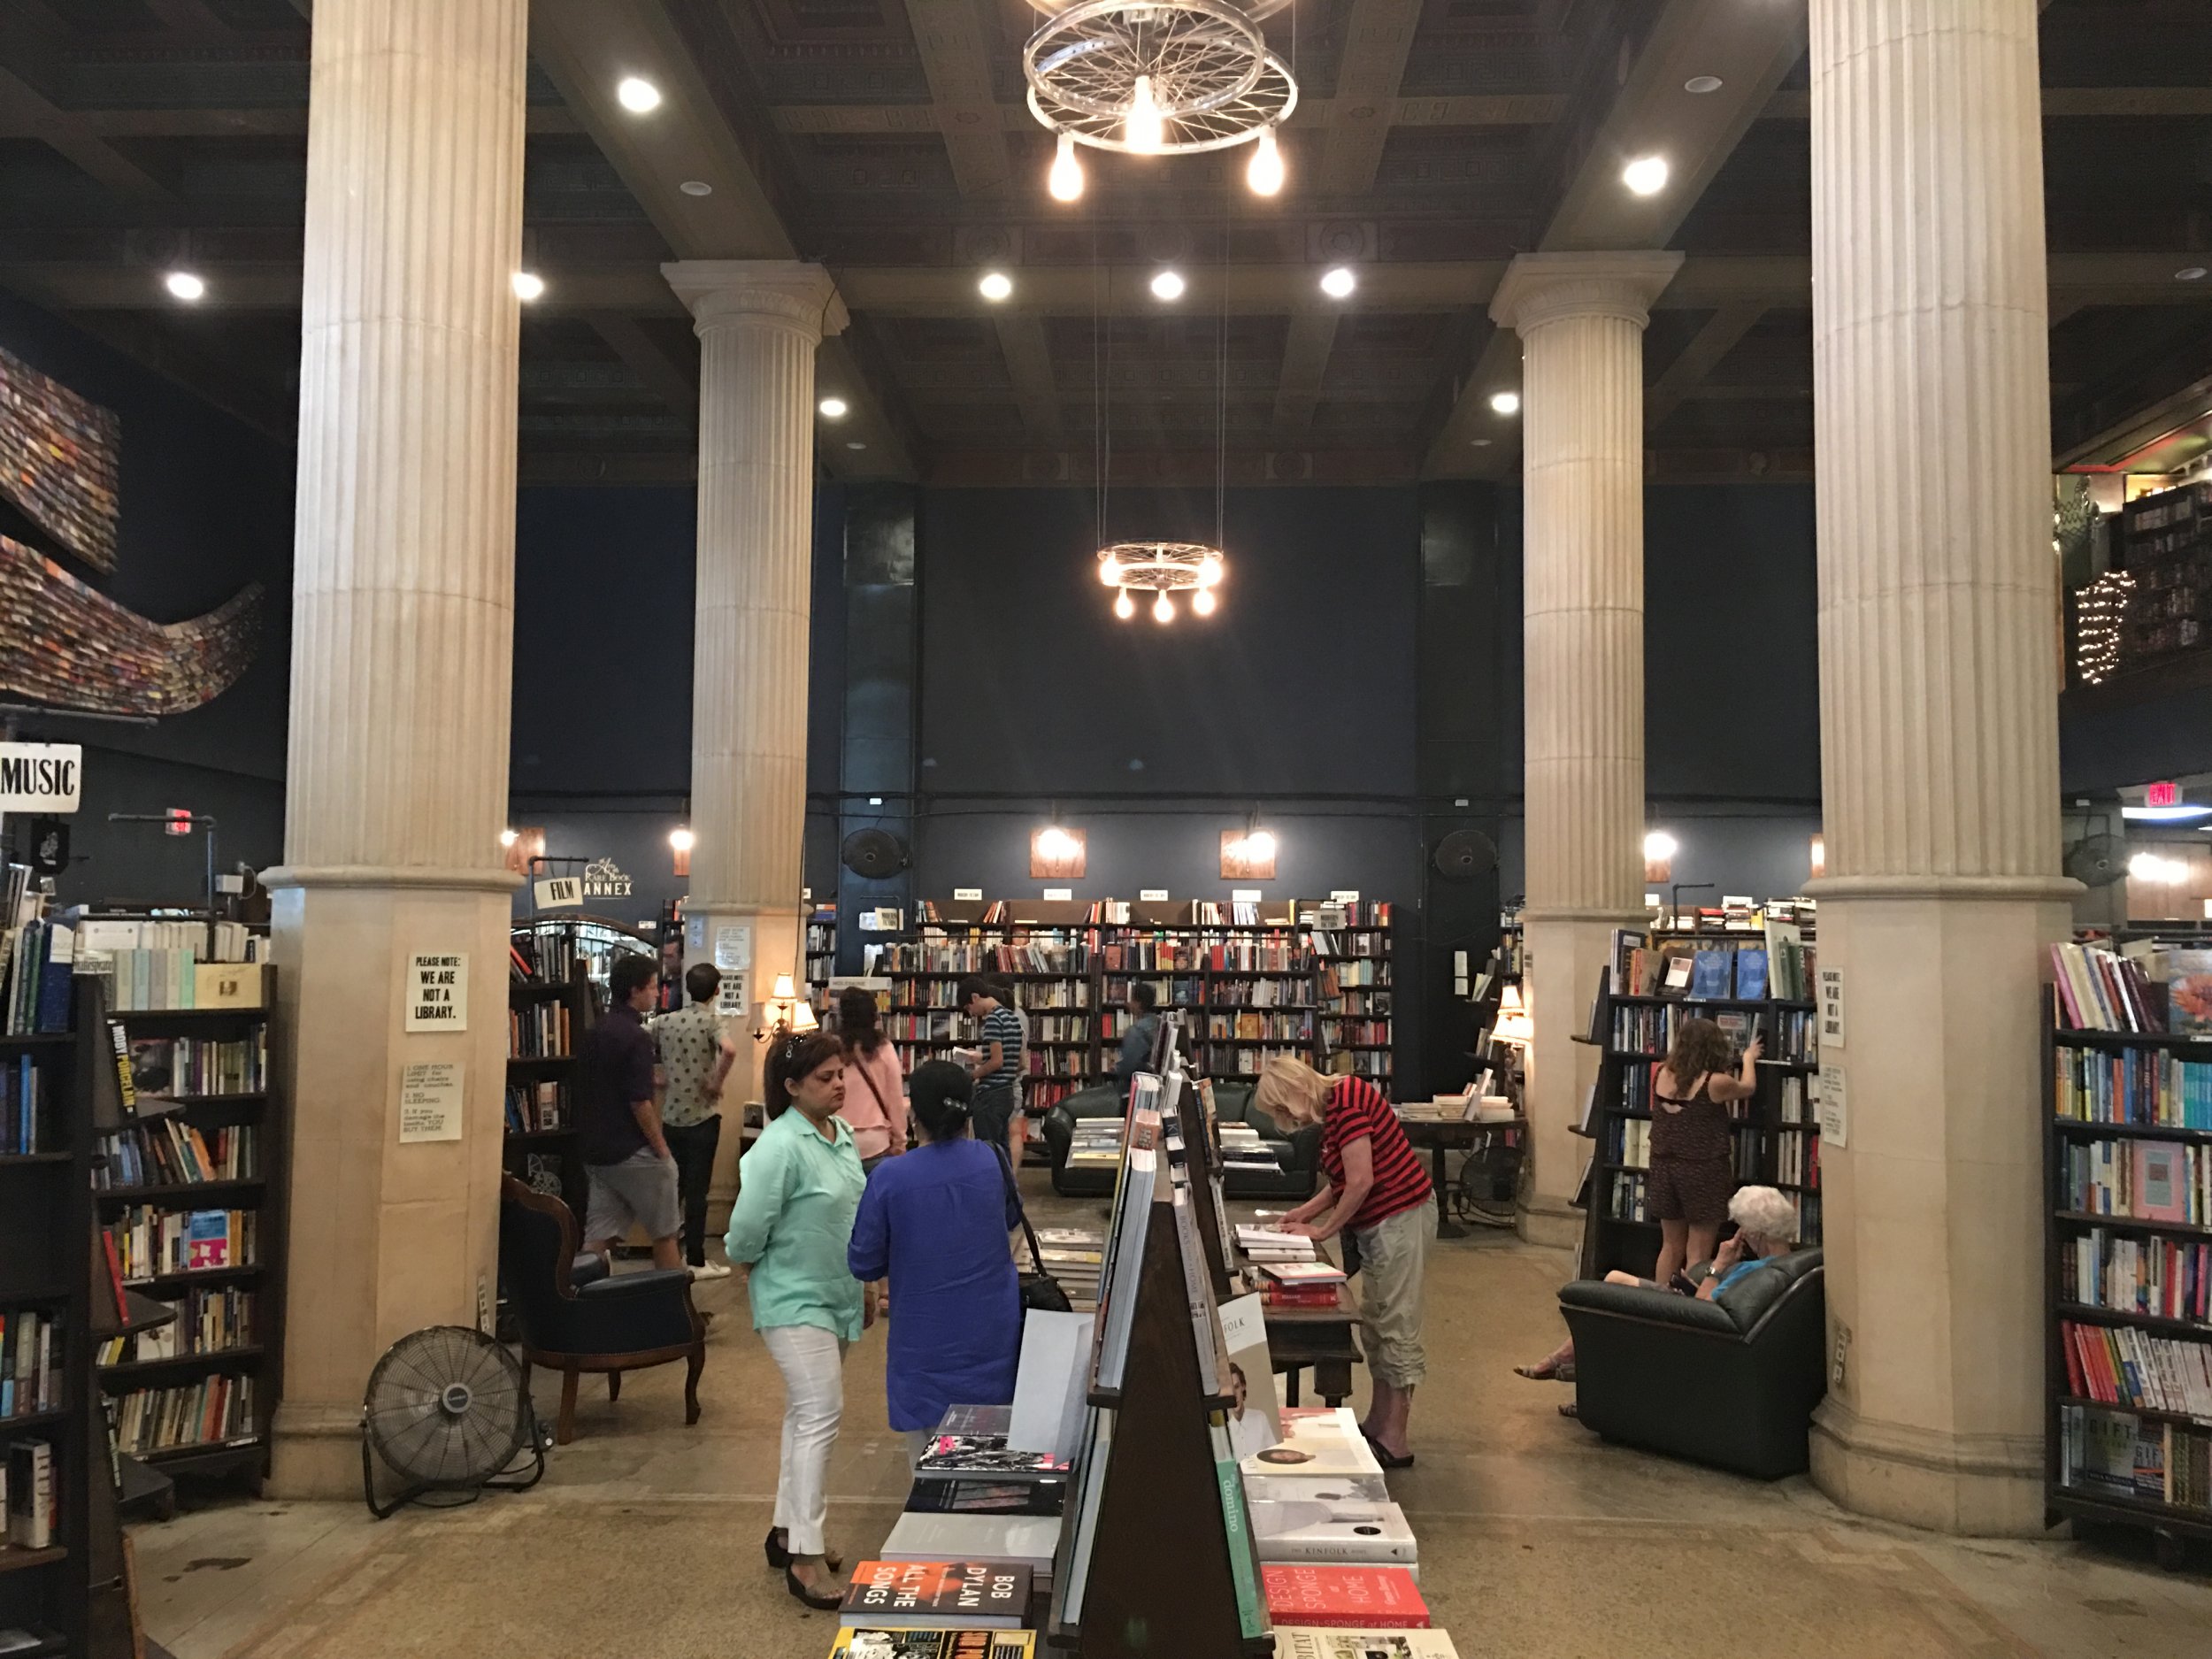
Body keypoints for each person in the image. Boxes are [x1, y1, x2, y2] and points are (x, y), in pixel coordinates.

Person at [724, 1032, 875, 1609]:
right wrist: (751, 1263)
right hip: (792, 1297)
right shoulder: (779, 1146)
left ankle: (786, 1528)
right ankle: (804, 1556)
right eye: (825, 1077)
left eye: (842, 1073)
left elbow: (850, 1218)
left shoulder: (839, 1135)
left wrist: (863, 1284)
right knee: (821, 1415)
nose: (839, 1084)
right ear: (790, 1086)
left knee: (804, 1415)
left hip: (835, 1292)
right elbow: (744, 1231)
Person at [1255, 1054, 1435, 1469]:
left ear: (1293, 1092)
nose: (1286, 1119)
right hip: (1381, 1223)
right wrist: (1305, 1213)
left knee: (1397, 1323)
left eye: (1282, 1109)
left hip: (1400, 1217)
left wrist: (1321, 1231)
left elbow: (1361, 1182)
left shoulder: (1348, 1099)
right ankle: (1378, 1421)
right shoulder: (1335, 1112)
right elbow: (1341, 1183)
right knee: (1376, 1322)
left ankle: (1396, 1438)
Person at [846, 1060, 1022, 1459]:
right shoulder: (994, 1160)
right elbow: (1011, 1217)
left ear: (913, 1115)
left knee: (931, 1477)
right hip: (992, 1338)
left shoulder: (890, 1178)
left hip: (925, 1349)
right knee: (991, 1465)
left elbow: (864, 1263)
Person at [1513, 1185, 1801, 1385]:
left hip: (1685, 1318)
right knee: (1614, 1280)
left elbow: (1702, 1311)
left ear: (1755, 1232)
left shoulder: (1754, 1271)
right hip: (1690, 1302)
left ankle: (1568, 1362)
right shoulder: (1786, 1263)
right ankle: (1572, 1364)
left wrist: (1719, 1265)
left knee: (1609, 1301)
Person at [577, 954, 682, 1272]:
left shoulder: (597, 1030)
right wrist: (663, 1152)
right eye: (652, 987)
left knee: (600, 1235)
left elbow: (606, 1079)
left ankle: (580, 1296)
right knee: (665, 1234)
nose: (656, 993)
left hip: (596, 1149)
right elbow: (640, 1103)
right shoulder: (637, 1037)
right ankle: (674, 1308)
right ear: (635, 991)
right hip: (631, 1149)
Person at [1647, 1017, 1761, 1286]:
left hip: (1663, 1168)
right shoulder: (1714, 1082)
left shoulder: (1662, 1072)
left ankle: (1658, 1304)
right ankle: (1691, 1309)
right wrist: (1748, 1058)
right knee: (1697, 1252)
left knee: (1670, 1246)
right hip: (1702, 1171)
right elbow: (1748, 1088)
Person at [649, 962, 739, 1279]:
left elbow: (636, 1040)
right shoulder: (712, 1021)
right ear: (717, 991)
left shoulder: (667, 1021)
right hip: (703, 1118)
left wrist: (655, 1077)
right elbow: (729, 1050)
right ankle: (697, 1260)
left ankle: (668, 1256)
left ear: (687, 988)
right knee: (699, 1192)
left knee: (674, 1190)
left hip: (671, 1117)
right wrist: (715, 1082)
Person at [836, 986, 909, 1174]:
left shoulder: (832, 1050)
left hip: (836, 1141)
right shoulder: (883, 1049)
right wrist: (900, 1141)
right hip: (876, 1141)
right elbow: (895, 1100)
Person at [959, 975, 1025, 1170]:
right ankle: (1006, 1193)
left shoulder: (993, 1020)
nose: (971, 1014)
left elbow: (997, 1061)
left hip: (991, 1095)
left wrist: (971, 1076)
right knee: (1001, 1150)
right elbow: (1019, 1060)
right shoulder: (1012, 1018)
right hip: (1007, 1094)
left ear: (975, 997)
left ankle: (991, 1193)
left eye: (968, 1008)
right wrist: (982, 1057)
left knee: (987, 1151)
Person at [1113, 980, 1162, 1094]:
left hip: (1136, 1091)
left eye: (1131, 1000)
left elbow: (1128, 1068)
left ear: (1138, 1003)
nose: (1128, 1004)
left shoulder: (1136, 1031)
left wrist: (1117, 1067)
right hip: (1157, 1087)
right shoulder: (1161, 1024)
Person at [1225, 1362, 1275, 1460]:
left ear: (1243, 1387)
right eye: (1230, 1390)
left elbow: (1274, 1455)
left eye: (1236, 1387)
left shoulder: (1260, 1418)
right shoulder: (1226, 1432)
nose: (1234, 1394)